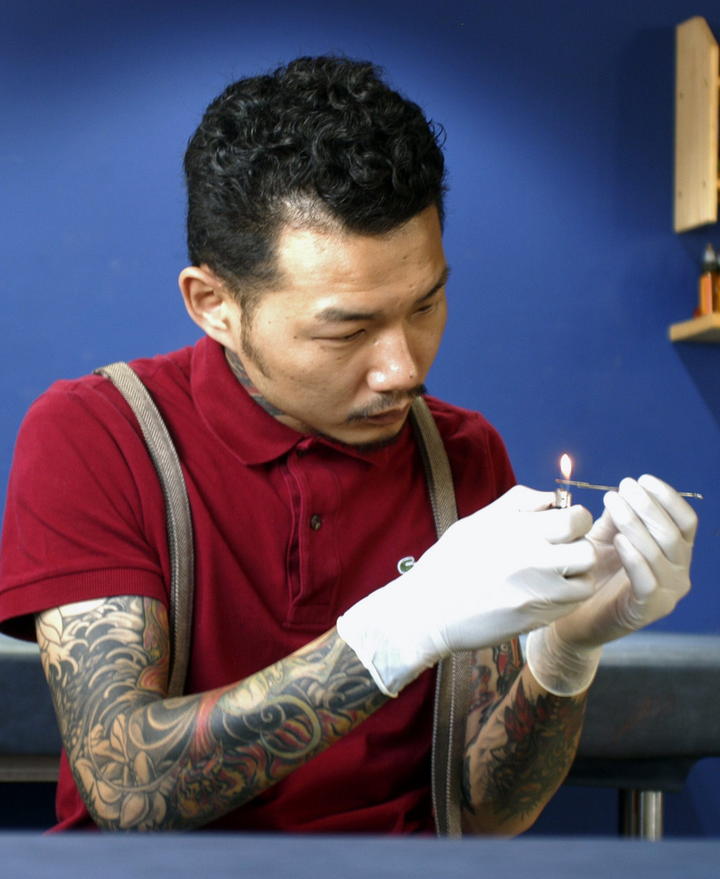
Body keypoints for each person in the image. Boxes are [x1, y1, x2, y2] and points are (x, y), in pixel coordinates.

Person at [0, 56, 696, 834]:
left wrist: (565, 649)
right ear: (214, 304)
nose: (404, 369)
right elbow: (129, 789)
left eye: (426, 305)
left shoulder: (464, 456)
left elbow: (487, 814)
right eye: (348, 328)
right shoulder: (96, 435)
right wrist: (406, 622)